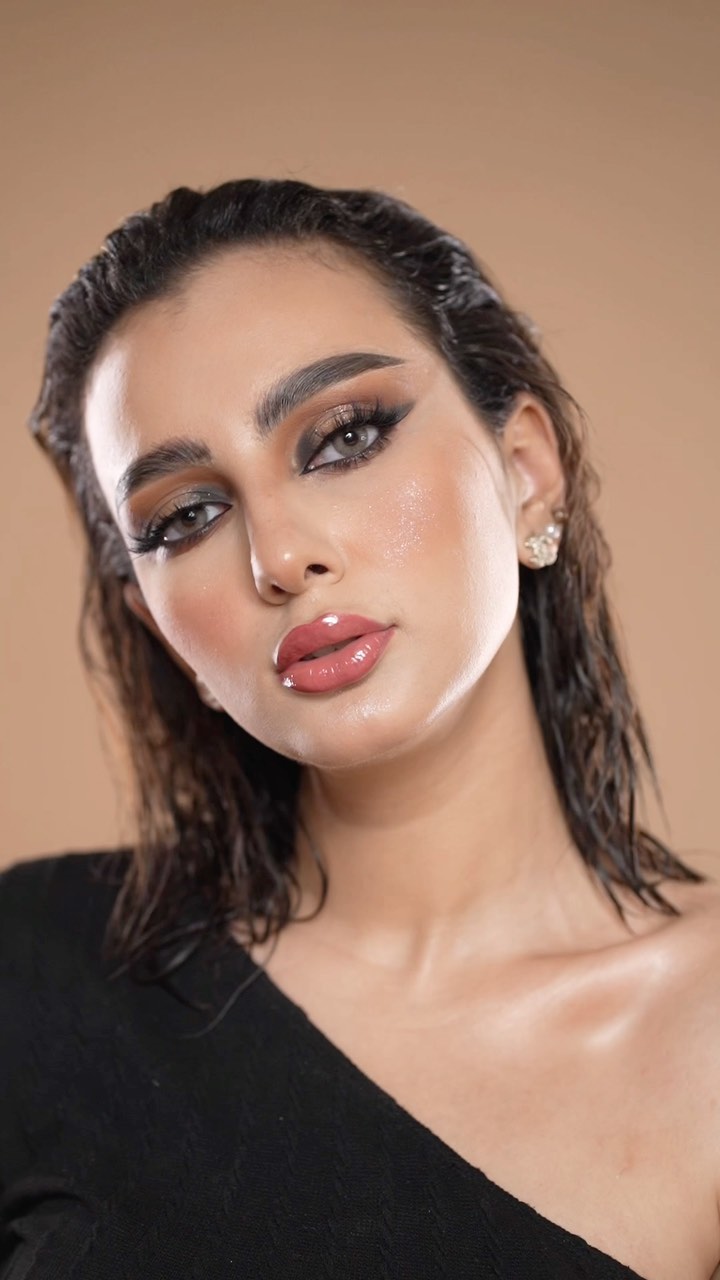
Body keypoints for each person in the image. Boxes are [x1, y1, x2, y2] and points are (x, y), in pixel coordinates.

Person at [1, 178, 717, 1280]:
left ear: (526, 471)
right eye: (187, 514)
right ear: (160, 629)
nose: (280, 556)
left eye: (343, 438)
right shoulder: (31, 970)